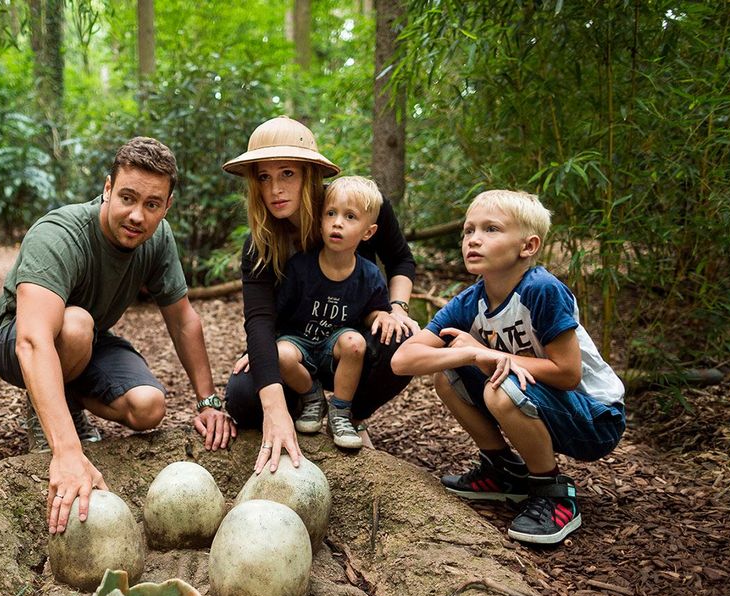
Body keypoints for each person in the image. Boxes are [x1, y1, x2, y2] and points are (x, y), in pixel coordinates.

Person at [0, 136, 235, 535]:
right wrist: (68, 452)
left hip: (87, 339)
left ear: (166, 207)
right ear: (107, 189)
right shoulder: (60, 234)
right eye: (127, 198)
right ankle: (46, 409)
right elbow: (31, 340)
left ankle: (63, 397)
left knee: (148, 407)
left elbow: (184, 320)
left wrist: (208, 401)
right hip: (17, 338)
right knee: (77, 324)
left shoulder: (159, 239)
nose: (137, 215)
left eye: (152, 204)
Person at [391, 190, 626, 545]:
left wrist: (488, 353)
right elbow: (403, 360)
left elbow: (568, 373)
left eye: (491, 229)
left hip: (594, 417)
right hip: (537, 403)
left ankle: (554, 495)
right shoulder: (471, 300)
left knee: (500, 386)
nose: (474, 239)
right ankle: (504, 472)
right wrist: (472, 356)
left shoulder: (542, 290)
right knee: (448, 374)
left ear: (528, 246)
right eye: (468, 231)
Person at [222, 116, 419, 472]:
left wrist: (397, 309)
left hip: (351, 340)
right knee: (241, 397)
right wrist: (265, 364)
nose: (274, 189)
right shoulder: (261, 243)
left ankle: (349, 416)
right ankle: (304, 406)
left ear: (309, 174)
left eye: (286, 174)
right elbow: (260, 318)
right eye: (264, 177)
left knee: (402, 339)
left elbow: (401, 260)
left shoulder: (358, 206)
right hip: (294, 343)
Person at [273, 176, 394, 451]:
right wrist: (255, 350)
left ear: (368, 232)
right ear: (320, 221)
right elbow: (278, 313)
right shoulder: (300, 267)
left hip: (335, 344)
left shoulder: (369, 275)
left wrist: (382, 316)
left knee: (355, 343)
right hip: (299, 340)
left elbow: (371, 313)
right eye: (331, 214)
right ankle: (312, 397)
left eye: (350, 217)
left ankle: (340, 412)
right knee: (278, 353)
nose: (337, 222)